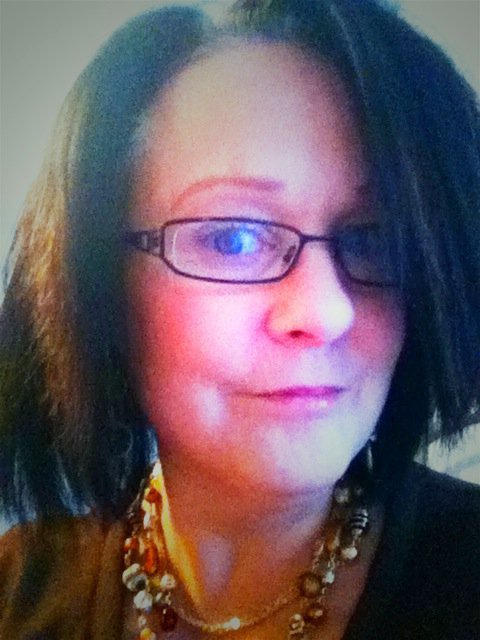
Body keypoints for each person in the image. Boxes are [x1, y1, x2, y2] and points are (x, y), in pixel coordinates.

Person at [0, 1, 479, 638]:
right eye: (233, 238)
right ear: (99, 281)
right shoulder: (15, 592)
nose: (326, 311)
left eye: (372, 240)